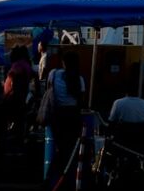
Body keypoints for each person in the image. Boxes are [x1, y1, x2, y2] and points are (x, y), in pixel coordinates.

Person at [47, 52, 85, 187]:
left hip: (57, 115)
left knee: (60, 148)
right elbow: (81, 101)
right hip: (73, 116)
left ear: (63, 62)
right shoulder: (79, 79)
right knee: (70, 149)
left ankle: (52, 178)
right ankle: (65, 178)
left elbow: (49, 91)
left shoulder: (53, 74)